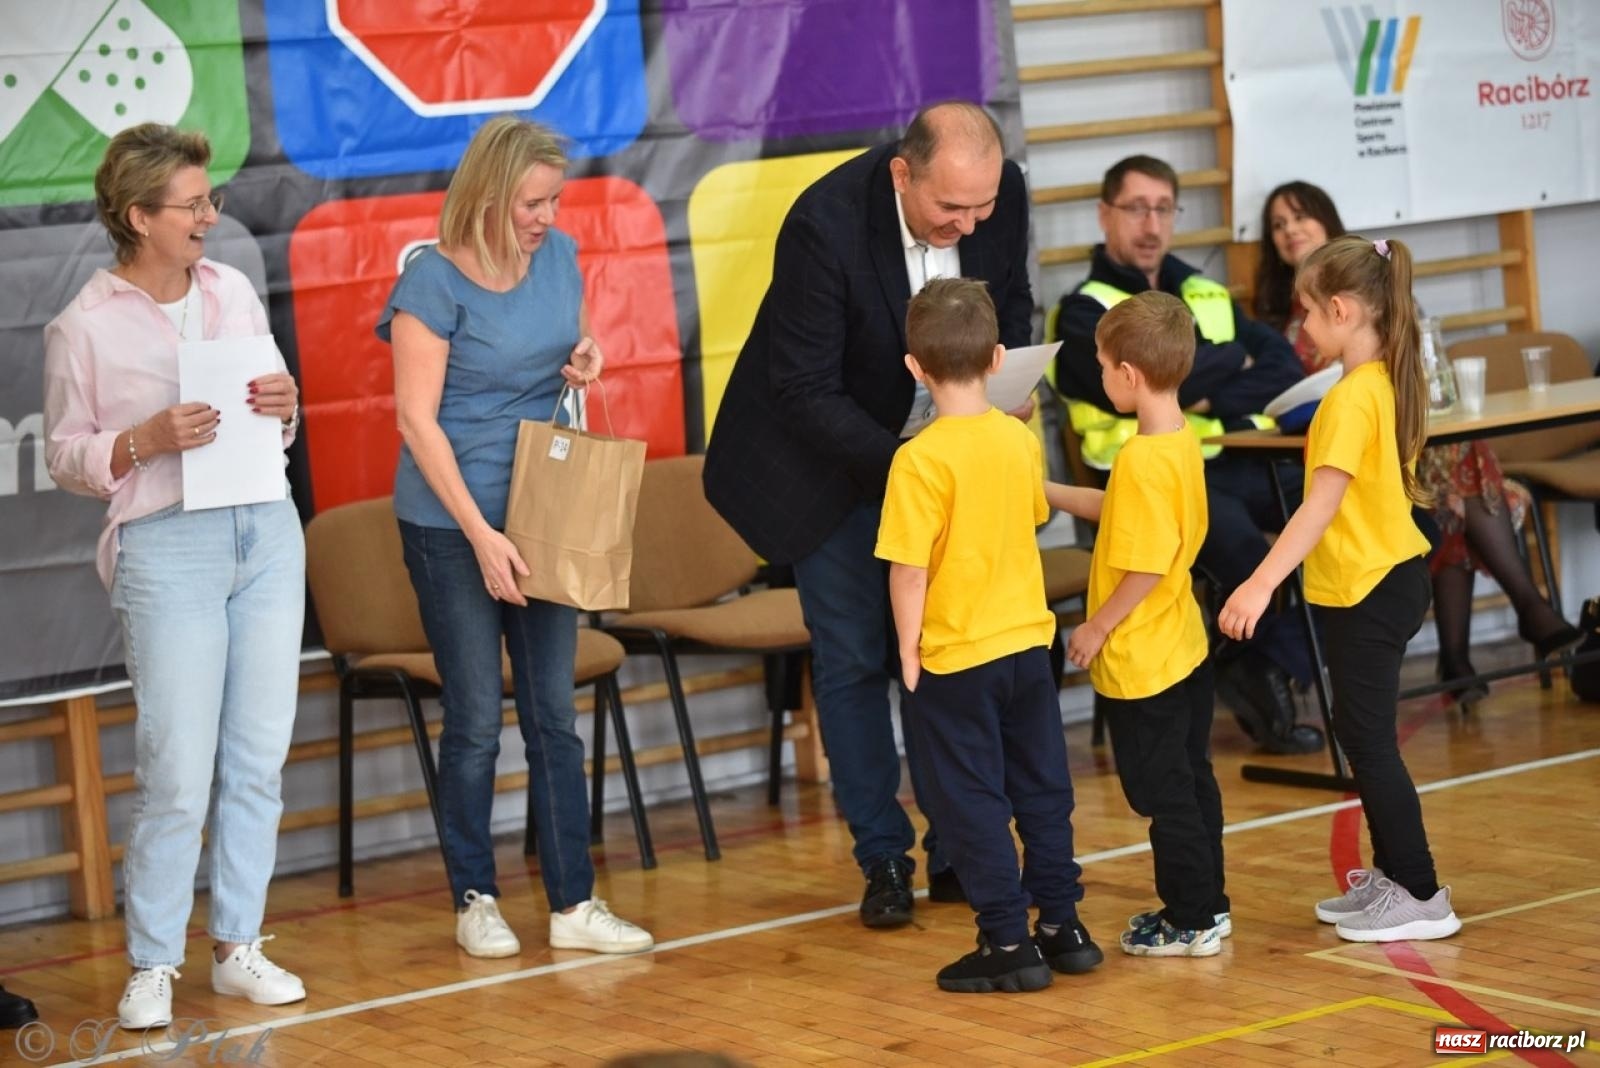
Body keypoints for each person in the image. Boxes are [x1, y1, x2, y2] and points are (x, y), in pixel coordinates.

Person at [703, 101, 1036, 927]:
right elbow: (805, 390)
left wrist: (1003, 399)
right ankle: (884, 855)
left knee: (949, 657)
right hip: (835, 470)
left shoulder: (1002, 193)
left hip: (943, 460)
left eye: (981, 208)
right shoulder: (824, 223)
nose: (967, 224)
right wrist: (922, 470)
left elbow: (1015, 308)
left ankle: (960, 847)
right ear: (902, 172)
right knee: (854, 661)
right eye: (948, 209)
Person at [43, 123, 307, 1029]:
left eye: (210, 200)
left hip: (267, 532)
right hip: (167, 545)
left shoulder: (232, 288)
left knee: (257, 757)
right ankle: (154, 961)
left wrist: (287, 406)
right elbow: (68, 457)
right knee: (175, 769)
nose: (209, 216)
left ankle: (239, 947)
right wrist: (140, 441)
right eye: (192, 204)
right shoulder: (83, 323)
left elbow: (275, 411)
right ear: (138, 216)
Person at [377, 116, 652, 959]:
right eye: (531, 202)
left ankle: (573, 905)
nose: (545, 215)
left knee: (552, 717)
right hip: (451, 524)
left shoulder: (560, 257)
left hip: (545, 511)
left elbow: (560, 349)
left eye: (553, 199)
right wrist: (482, 537)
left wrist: (586, 359)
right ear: (488, 197)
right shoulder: (431, 282)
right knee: (472, 721)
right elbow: (417, 423)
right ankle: (475, 895)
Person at [1219, 236, 1461, 942]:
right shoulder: (1380, 381)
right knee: (1362, 734)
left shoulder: (1352, 399)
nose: (1301, 331)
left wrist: (1260, 585)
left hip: (1370, 587)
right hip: (1374, 583)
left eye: (1306, 316)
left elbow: (1317, 507)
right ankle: (1393, 879)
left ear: (1341, 309)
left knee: (1368, 740)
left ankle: (1420, 892)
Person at [1255, 181, 1581, 703]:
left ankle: (1475, 643)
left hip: (1386, 445)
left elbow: (1422, 375)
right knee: (1452, 489)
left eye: (1301, 217)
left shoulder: (1376, 298)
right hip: (1331, 452)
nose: (1291, 230)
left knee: (1455, 474)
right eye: (1278, 223)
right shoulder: (1277, 319)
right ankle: (1522, 613)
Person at [1052, 155, 1323, 756]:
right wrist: (1227, 361)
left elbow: (1279, 368)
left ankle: (1271, 657)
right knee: (1243, 546)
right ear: (1104, 214)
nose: (1151, 224)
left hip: (1229, 454)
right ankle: (1268, 667)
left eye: (1163, 208)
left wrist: (1202, 373)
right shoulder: (1083, 310)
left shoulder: (1202, 288)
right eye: (1135, 208)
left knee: (1339, 508)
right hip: (1142, 479)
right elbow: (1111, 394)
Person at [876, 278, 1100, 992]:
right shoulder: (1015, 435)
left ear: (914, 367)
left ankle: (1006, 940)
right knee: (1042, 789)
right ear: (999, 357)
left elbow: (908, 572)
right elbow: (1032, 515)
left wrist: (908, 650)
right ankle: (1063, 925)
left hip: (956, 656)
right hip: (1027, 647)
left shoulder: (917, 459)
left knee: (968, 800)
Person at [1046, 291, 1228, 957]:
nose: (1098, 376)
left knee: (1164, 796)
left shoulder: (1144, 459)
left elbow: (1146, 563)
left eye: (1100, 365)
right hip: (1182, 648)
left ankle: (1190, 919)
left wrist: (1096, 626)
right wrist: (1043, 490)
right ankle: (1207, 904)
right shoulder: (1175, 443)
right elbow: (1118, 509)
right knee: (1191, 780)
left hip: (1144, 661)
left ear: (1129, 374)